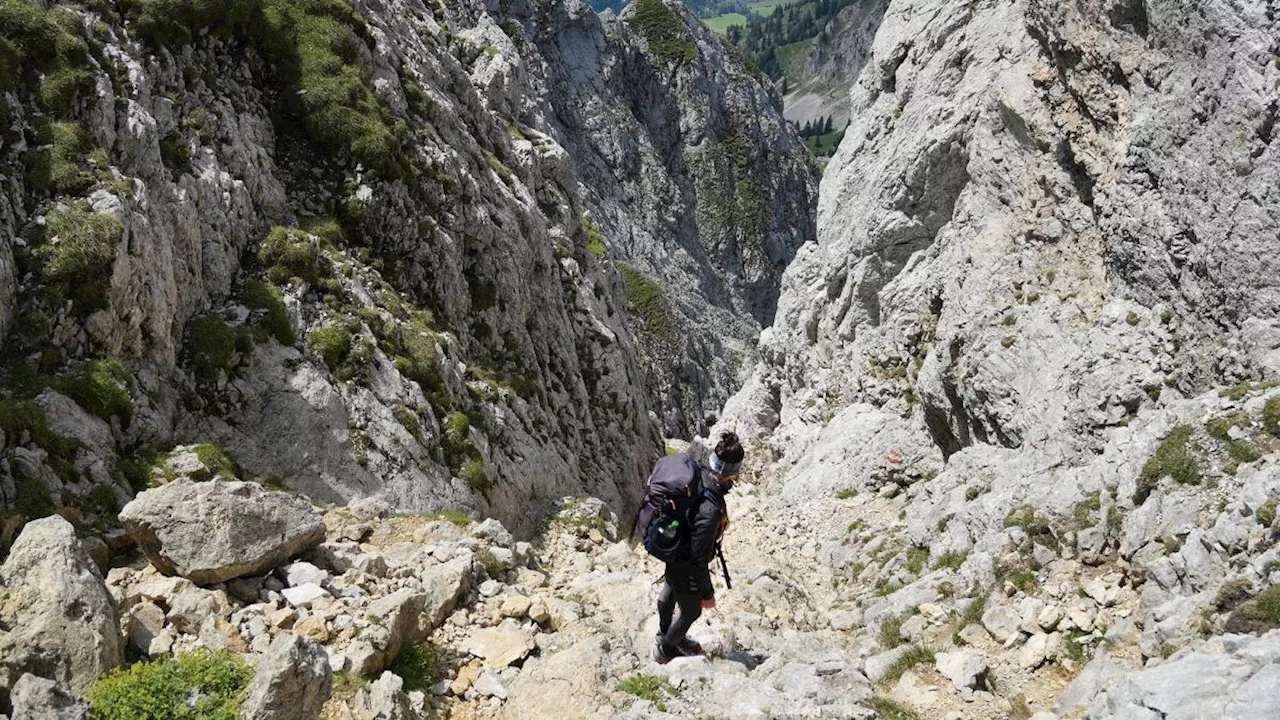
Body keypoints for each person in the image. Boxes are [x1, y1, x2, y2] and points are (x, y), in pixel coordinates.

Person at [651, 431, 744, 664]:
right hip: (685, 557)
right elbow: (698, 559)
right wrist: (707, 594)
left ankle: (665, 632)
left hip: (674, 544)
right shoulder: (710, 509)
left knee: (670, 587)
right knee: (692, 610)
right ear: (730, 474)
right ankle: (666, 648)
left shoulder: (698, 473)